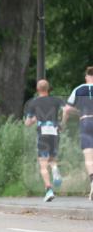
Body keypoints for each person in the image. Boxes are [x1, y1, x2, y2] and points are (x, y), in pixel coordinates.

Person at [24, 80, 67, 202]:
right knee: (52, 159)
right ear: (48, 89)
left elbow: (27, 123)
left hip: (42, 131)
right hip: (54, 130)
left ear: (38, 89)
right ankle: (55, 169)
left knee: (43, 163)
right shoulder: (56, 100)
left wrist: (33, 120)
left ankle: (49, 190)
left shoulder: (33, 103)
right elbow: (66, 110)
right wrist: (62, 123)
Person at [63, 65, 93, 200]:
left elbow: (67, 109)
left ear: (87, 76)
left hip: (86, 122)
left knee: (89, 157)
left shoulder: (79, 89)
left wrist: (63, 124)